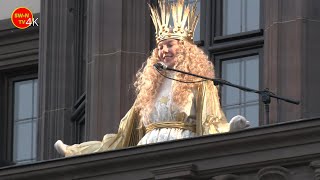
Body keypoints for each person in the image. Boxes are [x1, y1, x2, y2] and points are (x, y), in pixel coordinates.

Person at [54, 0, 250, 157]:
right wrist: (78, 151)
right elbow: (122, 137)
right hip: (146, 151)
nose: (164, 51)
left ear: (184, 47)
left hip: (181, 148)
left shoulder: (197, 82)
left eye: (170, 45)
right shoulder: (150, 88)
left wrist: (229, 129)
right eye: (161, 47)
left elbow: (210, 121)